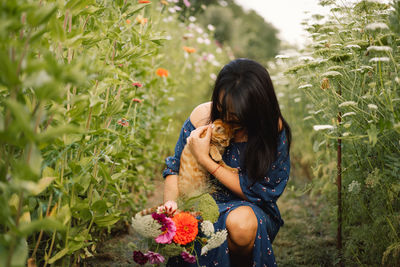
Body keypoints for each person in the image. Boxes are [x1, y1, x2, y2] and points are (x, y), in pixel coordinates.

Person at [162, 58, 292, 267]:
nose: (228, 118)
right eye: (222, 109)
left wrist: (206, 159)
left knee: (241, 225)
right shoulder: (201, 116)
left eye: (238, 115)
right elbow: (174, 168)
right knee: (191, 223)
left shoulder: (271, 128)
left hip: (251, 210)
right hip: (200, 204)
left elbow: (261, 192)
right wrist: (173, 211)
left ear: (258, 108)